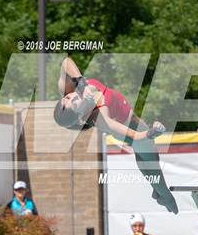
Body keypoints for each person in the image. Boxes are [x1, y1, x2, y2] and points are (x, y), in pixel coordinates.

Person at [53, 57, 178, 214]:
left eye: (66, 98)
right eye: (72, 102)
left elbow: (65, 61)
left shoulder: (71, 88)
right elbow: (135, 136)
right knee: (150, 158)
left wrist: (81, 82)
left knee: (149, 157)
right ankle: (164, 195)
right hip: (131, 128)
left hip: (132, 123)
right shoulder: (99, 116)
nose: (71, 97)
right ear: (79, 113)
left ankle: (157, 191)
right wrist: (152, 132)